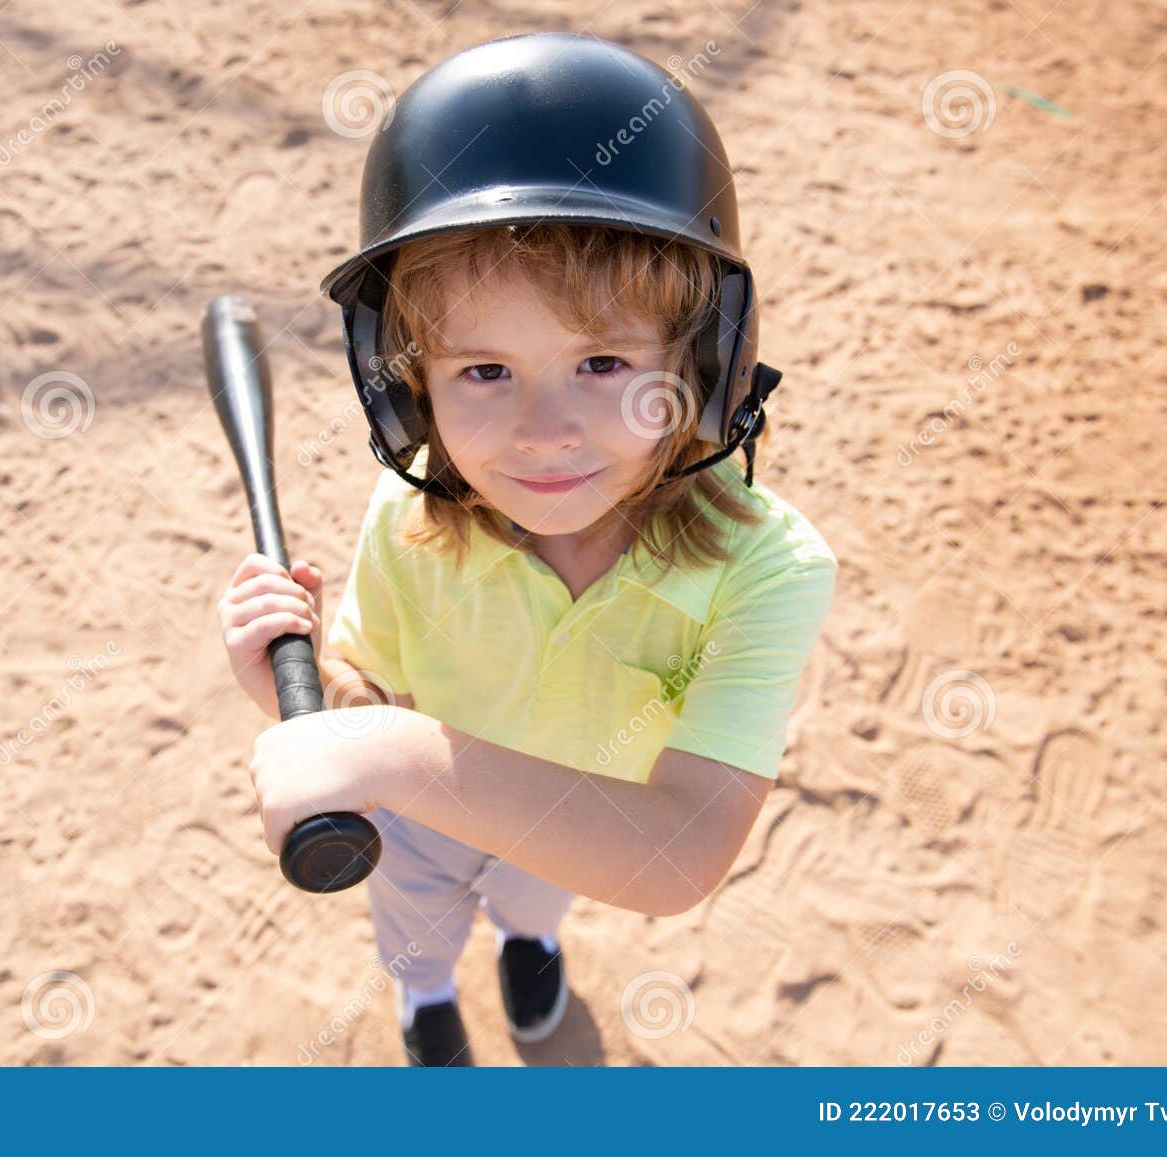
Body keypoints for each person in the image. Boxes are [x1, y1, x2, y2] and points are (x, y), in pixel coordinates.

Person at [217, 32, 837, 1066]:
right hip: (419, 819)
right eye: (484, 371)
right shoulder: (408, 518)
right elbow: (376, 700)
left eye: (600, 361)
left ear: (702, 364)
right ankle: (425, 999)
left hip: (580, 819)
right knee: (414, 920)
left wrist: (395, 754)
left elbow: (679, 849)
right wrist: (302, 686)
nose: (544, 431)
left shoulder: (766, 568)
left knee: (533, 893)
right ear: (408, 381)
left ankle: (529, 940)